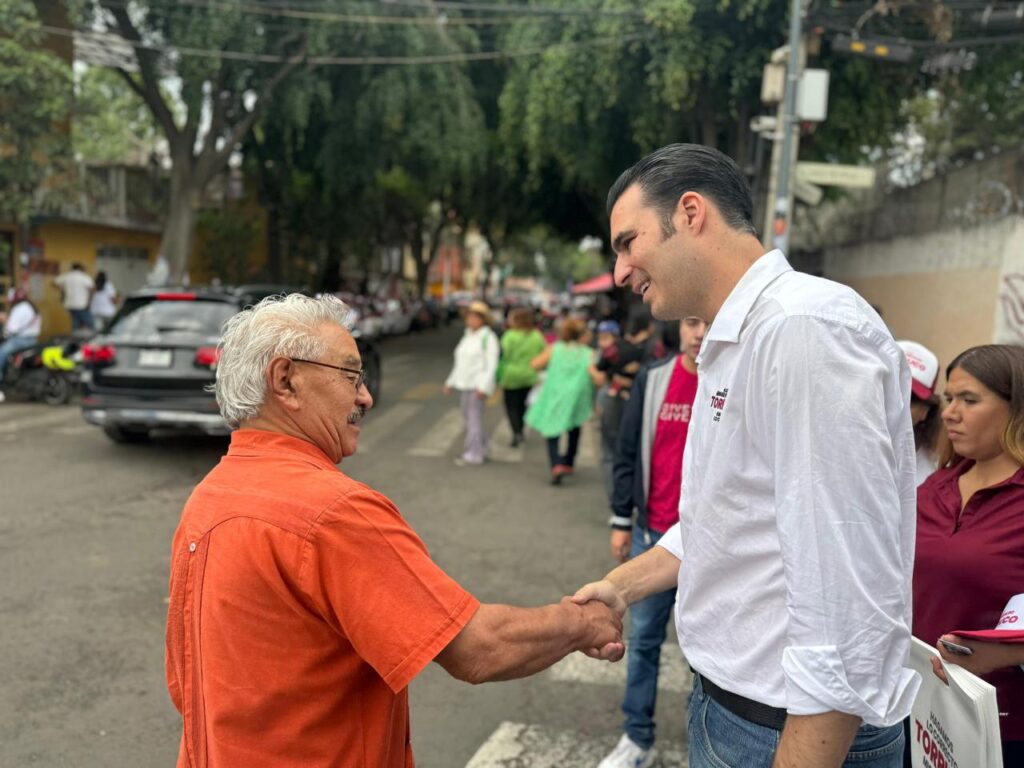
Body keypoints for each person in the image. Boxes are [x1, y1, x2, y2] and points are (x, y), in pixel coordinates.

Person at [164, 293, 624, 768]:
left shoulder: (209, 496)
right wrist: (584, 622)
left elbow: (186, 681)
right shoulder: (332, 511)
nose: (366, 396)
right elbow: (480, 648)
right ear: (286, 380)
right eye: (350, 375)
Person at [574, 143, 918, 768]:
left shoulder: (802, 329)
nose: (621, 271)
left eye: (628, 242)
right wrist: (621, 587)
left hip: (788, 732)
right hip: (734, 712)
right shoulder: (737, 338)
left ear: (690, 212)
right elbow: (721, 520)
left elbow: (847, 595)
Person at [598, 315, 705, 768]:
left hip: (709, 546)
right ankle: (637, 738)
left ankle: (706, 740)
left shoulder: (735, 379)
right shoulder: (654, 379)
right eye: (692, 323)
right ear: (679, 327)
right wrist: (622, 519)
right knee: (642, 642)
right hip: (653, 533)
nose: (699, 333)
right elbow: (626, 451)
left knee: (705, 651)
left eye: (708, 323)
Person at [913, 344, 1024, 764]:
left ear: (1017, 409)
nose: (949, 413)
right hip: (923, 715)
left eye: (969, 400)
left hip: (1005, 729)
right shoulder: (933, 490)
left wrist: (1010, 652)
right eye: (949, 399)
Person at [526, 316, 597, 485]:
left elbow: (535, 364)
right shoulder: (588, 353)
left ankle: (556, 464)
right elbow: (595, 375)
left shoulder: (555, 349)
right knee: (574, 428)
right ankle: (569, 463)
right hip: (576, 397)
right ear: (581, 335)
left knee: (552, 430)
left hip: (555, 394)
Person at [591, 319, 645, 503]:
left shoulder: (611, 354)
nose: (603, 342)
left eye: (606, 337)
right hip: (631, 401)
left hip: (615, 401)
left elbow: (599, 376)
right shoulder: (638, 350)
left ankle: (618, 501)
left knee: (610, 454)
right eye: (601, 338)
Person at [443, 300, 500, 466]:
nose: (471, 319)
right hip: (465, 384)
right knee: (469, 417)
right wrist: (450, 382)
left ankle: (474, 454)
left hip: (477, 385)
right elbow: (460, 363)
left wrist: (484, 386)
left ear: (483, 319)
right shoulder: (468, 335)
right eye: (470, 316)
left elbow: (492, 364)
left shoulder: (488, 337)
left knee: (473, 419)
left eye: (476, 317)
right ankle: (482, 448)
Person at [498, 307, 546, 447]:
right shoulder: (537, 335)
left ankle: (516, 432)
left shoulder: (509, 336)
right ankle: (520, 429)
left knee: (510, 406)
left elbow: (504, 355)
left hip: (511, 376)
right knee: (522, 405)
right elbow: (543, 353)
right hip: (530, 375)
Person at [896, 340, 942, 487]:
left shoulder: (930, 477)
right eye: (887, 390)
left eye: (910, 399)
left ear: (926, 412)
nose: (895, 406)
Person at [0, 289, 41, 383]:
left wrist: (4, 319)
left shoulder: (18, 309)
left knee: (1, 352)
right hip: (33, 340)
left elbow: (11, 329)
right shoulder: (31, 307)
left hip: (20, 341)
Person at [53, 263, 94, 330]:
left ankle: (75, 337)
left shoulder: (66, 276)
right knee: (90, 323)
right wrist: (89, 302)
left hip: (69, 304)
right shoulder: (84, 277)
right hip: (81, 304)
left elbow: (54, 282)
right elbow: (92, 289)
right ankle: (94, 338)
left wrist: (63, 289)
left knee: (75, 322)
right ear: (81, 269)